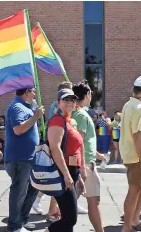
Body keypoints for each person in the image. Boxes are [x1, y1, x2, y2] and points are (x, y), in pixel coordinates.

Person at [44, 88, 86, 232]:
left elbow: (75, 149)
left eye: (72, 100)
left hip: (71, 174)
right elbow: (55, 149)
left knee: (67, 221)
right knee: (70, 219)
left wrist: (78, 176)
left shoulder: (69, 121)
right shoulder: (57, 120)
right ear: (58, 102)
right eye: (66, 99)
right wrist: (67, 175)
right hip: (62, 175)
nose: (70, 102)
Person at [4, 87, 43, 232]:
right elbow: (18, 129)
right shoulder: (17, 107)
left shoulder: (25, 107)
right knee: (19, 191)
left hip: (29, 156)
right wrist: (35, 117)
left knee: (33, 187)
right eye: (33, 91)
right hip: (20, 158)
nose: (35, 94)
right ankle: (14, 226)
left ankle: (22, 218)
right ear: (26, 92)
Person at [119, 75, 141, 232]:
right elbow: (137, 135)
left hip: (134, 155)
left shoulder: (129, 104)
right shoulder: (139, 108)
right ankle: (127, 226)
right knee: (134, 191)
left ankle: (134, 219)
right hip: (137, 156)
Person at [71, 80, 104, 232]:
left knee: (69, 205)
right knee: (94, 200)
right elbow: (79, 141)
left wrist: (98, 155)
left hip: (83, 163)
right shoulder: (82, 115)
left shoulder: (75, 113)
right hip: (86, 165)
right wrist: (83, 168)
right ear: (88, 94)